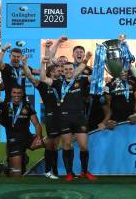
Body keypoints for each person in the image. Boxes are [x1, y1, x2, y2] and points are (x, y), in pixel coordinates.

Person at [40, 53, 97, 181]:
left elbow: (95, 77)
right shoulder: (58, 83)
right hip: (64, 119)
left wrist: (96, 61)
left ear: (74, 70)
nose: (68, 71)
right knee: (67, 144)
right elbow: (43, 78)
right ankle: (69, 173)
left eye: (71, 69)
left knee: (83, 146)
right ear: (62, 71)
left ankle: (84, 171)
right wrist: (43, 63)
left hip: (79, 117)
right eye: (65, 69)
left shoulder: (81, 80)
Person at [23, 56, 61, 179]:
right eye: (56, 70)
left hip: (62, 116)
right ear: (50, 73)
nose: (58, 72)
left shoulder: (62, 83)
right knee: (50, 143)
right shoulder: (43, 85)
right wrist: (24, 64)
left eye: (59, 70)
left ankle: (54, 170)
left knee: (56, 144)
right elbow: (30, 77)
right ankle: (48, 170)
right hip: (51, 116)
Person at [0, 85, 43, 177]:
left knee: (49, 142)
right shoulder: (4, 106)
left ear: (22, 94)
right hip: (14, 142)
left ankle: (50, 170)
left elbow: (36, 124)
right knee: (17, 175)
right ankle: (4, 168)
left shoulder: (27, 106)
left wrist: (39, 137)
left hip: (28, 138)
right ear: (11, 94)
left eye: (19, 93)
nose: (17, 95)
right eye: (14, 93)